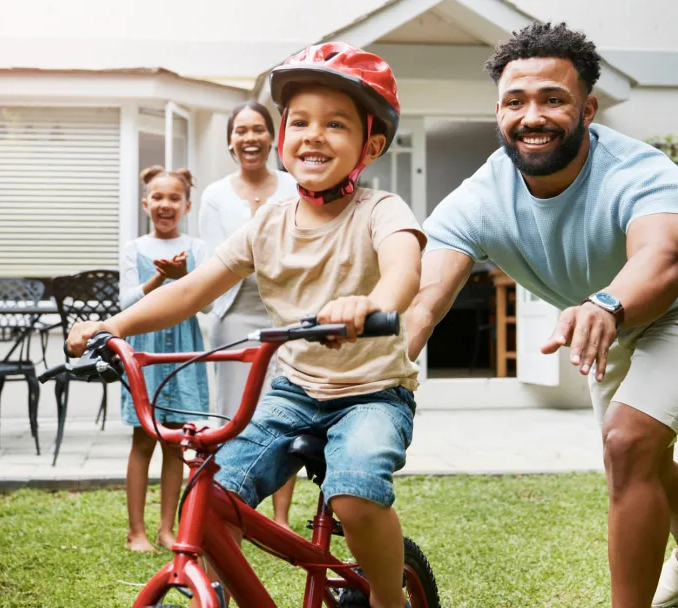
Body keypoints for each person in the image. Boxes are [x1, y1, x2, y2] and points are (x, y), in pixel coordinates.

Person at [70, 42, 425, 608]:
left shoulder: (381, 210)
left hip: (372, 393)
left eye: (335, 124)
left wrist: (369, 303)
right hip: (294, 390)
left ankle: (388, 599)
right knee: (213, 496)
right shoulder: (268, 223)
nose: (313, 135)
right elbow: (191, 290)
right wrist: (110, 325)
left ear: (371, 145)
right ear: (284, 137)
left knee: (356, 495)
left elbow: (404, 269)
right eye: (300, 122)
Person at [402, 22, 678, 608]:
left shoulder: (638, 171)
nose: (533, 116)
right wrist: (383, 362)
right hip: (606, 325)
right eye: (515, 101)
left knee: (628, 441)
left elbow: (663, 257)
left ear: (588, 109)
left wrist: (605, 304)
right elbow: (425, 298)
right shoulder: (482, 197)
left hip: (664, 310)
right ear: (498, 111)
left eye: (553, 99)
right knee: (637, 459)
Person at [198, 101, 300, 528]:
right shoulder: (215, 196)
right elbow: (213, 262)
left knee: (286, 411)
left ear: (272, 137)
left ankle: (280, 518)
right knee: (232, 416)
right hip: (233, 316)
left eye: (258, 129)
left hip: (286, 317)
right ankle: (231, 511)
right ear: (230, 141)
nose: (250, 138)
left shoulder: (294, 185)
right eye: (241, 131)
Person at [117, 165, 211, 553]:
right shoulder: (134, 248)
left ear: (186, 206)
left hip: (182, 353)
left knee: (176, 444)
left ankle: (166, 529)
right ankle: (135, 532)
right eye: (157, 197)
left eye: (174, 198)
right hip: (146, 352)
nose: (165, 204)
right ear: (146, 204)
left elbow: (207, 305)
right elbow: (125, 304)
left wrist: (185, 275)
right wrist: (160, 278)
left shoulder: (197, 248)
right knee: (143, 440)